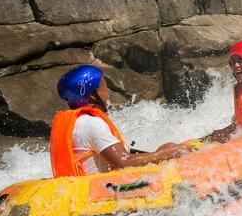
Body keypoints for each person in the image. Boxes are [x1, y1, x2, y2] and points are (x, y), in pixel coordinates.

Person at [50, 64, 191, 177]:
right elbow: (124, 161)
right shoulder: (91, 124)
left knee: (167, 146)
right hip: (100, 189)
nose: (108, 93)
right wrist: (169, 154)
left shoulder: (77, 123)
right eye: (104, 87)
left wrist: (164, 150)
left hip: (83, 185)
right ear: (93, 95)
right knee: (169, 151)